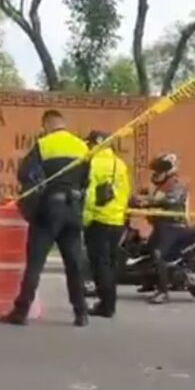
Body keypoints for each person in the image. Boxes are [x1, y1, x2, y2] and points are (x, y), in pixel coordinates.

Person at [0, 110, 91, 327]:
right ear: (64, 124)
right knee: (74, 264)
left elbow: (24, 173)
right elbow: (87, 179)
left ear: (46, 125)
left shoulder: (44, 144)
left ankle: (20, 312)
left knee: (35, 263)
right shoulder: (82, 146)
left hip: (49, 210)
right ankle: (81, 313)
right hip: (73, 210)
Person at [82, 130, 131, 318]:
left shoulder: (92, 163)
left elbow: (89, 195)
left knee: (99, 264)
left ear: (95, 143)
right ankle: (109, 303)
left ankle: (106, 305)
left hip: (98, 220)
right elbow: (125, 192)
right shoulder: (120, 164)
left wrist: (85, 220)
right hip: (116, 221)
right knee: (110, 263)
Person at [132, 153, 190, 305]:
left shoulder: (177, 184)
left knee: (158, 254)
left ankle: (164, 292)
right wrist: (134, 197)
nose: (156, 173)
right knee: (146, 250)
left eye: (159, 170)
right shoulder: (160, 186)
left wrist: (146, 202)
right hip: (161, 226)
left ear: (169, 169)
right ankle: (150, 283)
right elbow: (149, 195)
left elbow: (169, 200)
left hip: (174, 227)